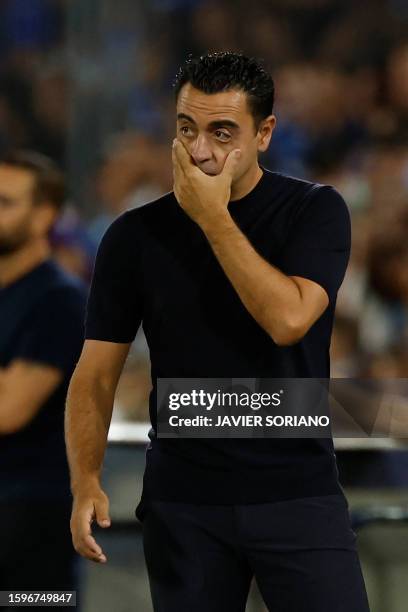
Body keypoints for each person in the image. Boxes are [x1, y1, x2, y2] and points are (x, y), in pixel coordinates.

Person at [66, 53, 370, 611]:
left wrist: (213, 219)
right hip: (184, 504)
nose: (199, 150)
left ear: (265, 133)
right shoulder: (134, 235)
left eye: (222, 132)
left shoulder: (314, 210)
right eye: (187, 129)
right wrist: (85, 478)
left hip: (297, 492)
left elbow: (287, 321)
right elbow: (96, 373)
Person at [0, 151, 86, 603]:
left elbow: (9, 409)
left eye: (5, 202)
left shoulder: (58, 301)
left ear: (43, 217)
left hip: (32, 515)